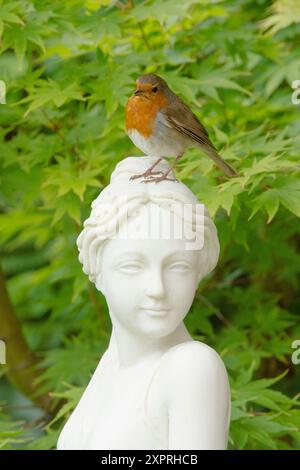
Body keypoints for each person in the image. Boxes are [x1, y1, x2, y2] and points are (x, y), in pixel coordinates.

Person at [57, 156, 231, 450]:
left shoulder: (191, 367)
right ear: (97, 270)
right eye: (132, 266)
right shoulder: (111, 366)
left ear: (199, 270)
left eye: (177, 266)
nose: (157, 289)